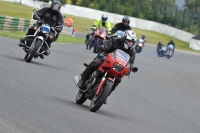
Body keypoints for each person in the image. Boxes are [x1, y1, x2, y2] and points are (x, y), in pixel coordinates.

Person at [78, 30, 137, 103]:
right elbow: (105, 47)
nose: (130, 43)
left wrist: (129, 69)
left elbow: (130, 62)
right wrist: (103, 50)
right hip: (106, 58)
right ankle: (83, 79)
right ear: (124, 38)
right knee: (96, 62)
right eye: (128, 41)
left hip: (118, 66)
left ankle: (105, 94)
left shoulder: (132, 51)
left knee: (118, 80)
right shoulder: (115, 40)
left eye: (132, 42)